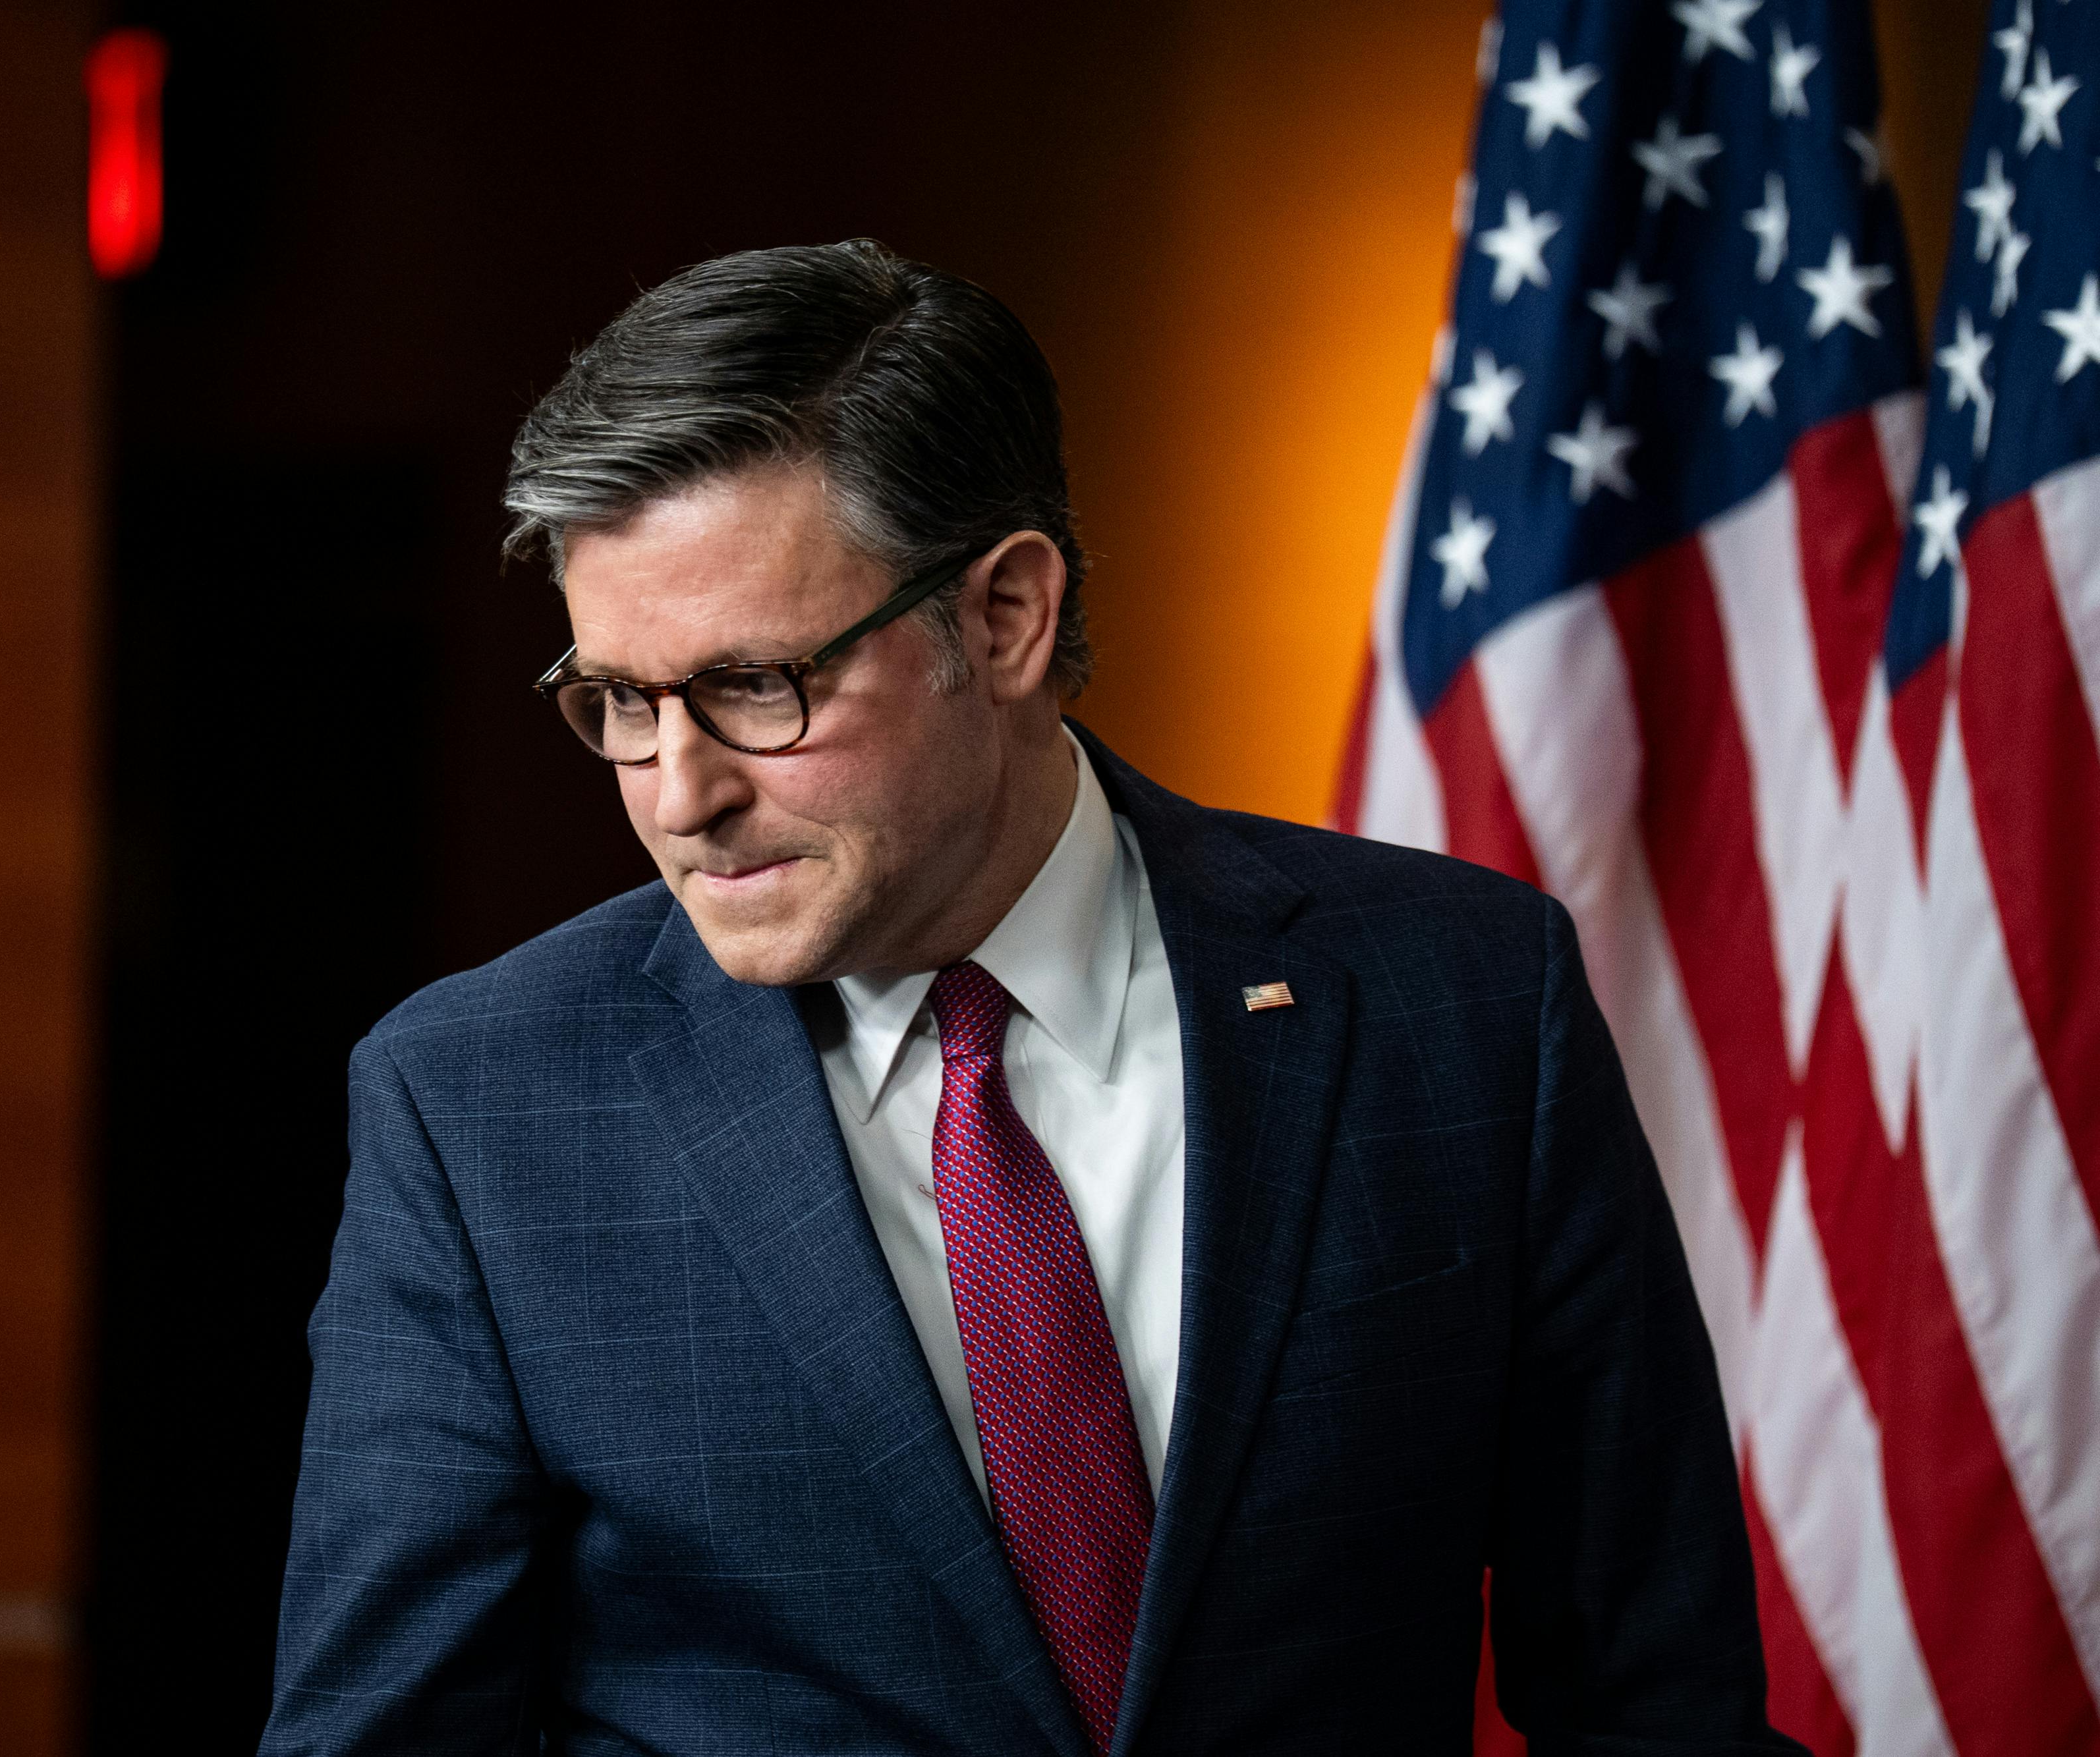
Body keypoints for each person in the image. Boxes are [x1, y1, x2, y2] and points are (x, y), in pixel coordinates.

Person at [258, 240, 1800, 1756]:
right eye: (617, 700)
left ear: (1002, 617)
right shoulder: (478, 1103)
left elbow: (1654, 1702)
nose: (678, 791)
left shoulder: (1457, 1000)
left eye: (753, 687)